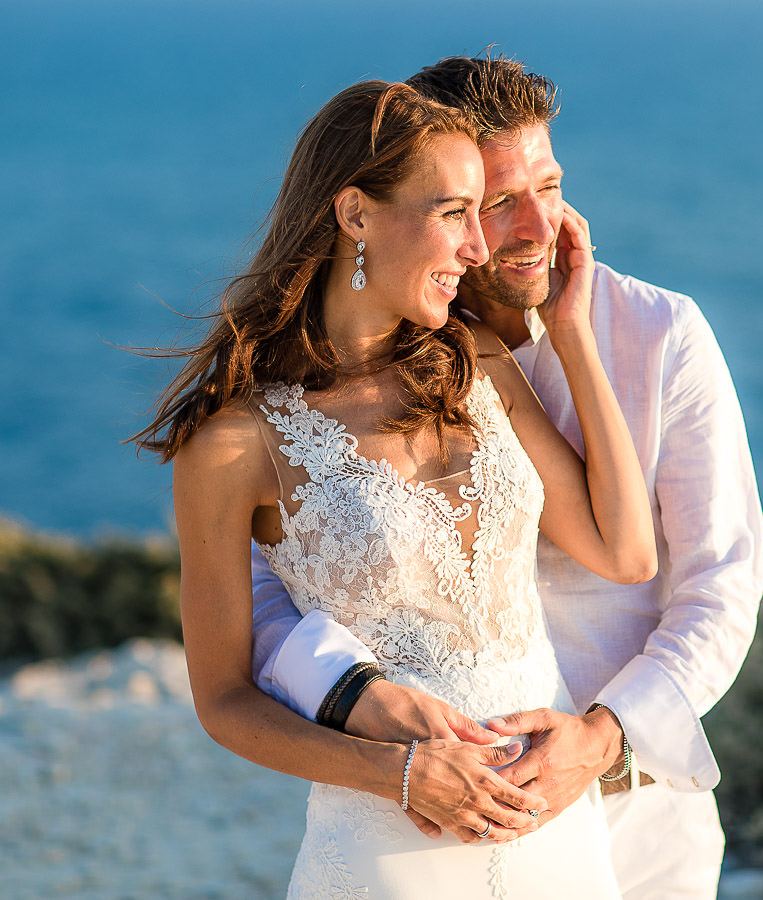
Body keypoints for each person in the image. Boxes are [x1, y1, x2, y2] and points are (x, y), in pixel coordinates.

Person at [251, 55, 763, 898]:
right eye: (495, 202)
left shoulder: (664, 334)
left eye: (551, 185)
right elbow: (264, 576)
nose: (535, 225)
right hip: (429, 808)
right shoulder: (379, 357)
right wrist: (357, 693)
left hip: (636, 816)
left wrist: (602, 739)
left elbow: (721, 587)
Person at [137, 79, 659, 897]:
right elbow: (225, 701)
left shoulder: (476, 361)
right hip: (392, 846)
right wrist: (401, 776)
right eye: (454, 212)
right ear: (355, 215)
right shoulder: (236, 444)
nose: (479, 250)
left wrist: (571, 335)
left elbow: (625, 550)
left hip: (555, 830)